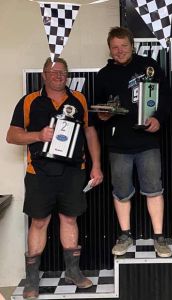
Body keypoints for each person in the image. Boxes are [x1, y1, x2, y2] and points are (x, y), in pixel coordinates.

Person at [6, 57, 103, 299]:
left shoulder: (78, 99)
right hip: (39, 172)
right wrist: (38, 135)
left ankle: (72, 271)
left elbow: (90, 132)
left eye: (62, 72)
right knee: (39, 222)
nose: (58, 76)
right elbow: (12, 135)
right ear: (43, 75)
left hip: (73, 171)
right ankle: (31, 280)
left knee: (69, 219)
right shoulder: (29, 101)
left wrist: (97, 165)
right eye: (53, 72)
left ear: (67, 75)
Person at [94, 26, 172, 258]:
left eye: (124, 46)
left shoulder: (148, 66)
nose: (119, 51)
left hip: (147, 141)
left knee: (154, 189)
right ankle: (125, 234)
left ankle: (159, 237)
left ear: (132, 45)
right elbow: (97, 108)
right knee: (121, 191)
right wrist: (103, 114)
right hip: (118, 144)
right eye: (115, 47)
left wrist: (159, 119)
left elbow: (166, 97)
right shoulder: (103, 74)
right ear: (109, 49)